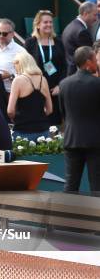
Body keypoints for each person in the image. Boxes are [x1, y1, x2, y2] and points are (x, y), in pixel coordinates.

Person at [59, 46, 100, 194]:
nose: (97, 63)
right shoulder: (97, 84)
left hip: (72, 139)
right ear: (88, 62)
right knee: (97, 186)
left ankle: (68, 217)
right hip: (95, 141)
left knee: (70, 185)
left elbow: (63, 113)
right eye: (95, 60)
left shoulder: (64, 85)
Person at [24, 10, 66, 126]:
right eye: (45, 22)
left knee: (55, 126)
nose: (49, 25)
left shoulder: (58, 42)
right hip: (37, 91)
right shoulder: (30, 43)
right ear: (37, 25)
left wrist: (60, 85)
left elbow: (64, 66)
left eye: (51, 22)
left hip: (55, 91)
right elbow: (26, 67)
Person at [7, 51, 52, 141]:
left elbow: (10, 110)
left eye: (14, 65)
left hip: (23, 131)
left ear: (20, 64)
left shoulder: (18, 80)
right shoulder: (43, 80)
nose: (15, 69)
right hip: (43, 131)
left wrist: (14, 118)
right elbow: (50, 109)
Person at [62, 1, 97, 75]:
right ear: (85, 13)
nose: (96, 19)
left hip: (71, 72)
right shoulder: (82, 32)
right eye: (94, 15)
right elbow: (89, 57)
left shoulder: (70, 26)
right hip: (79, 75)